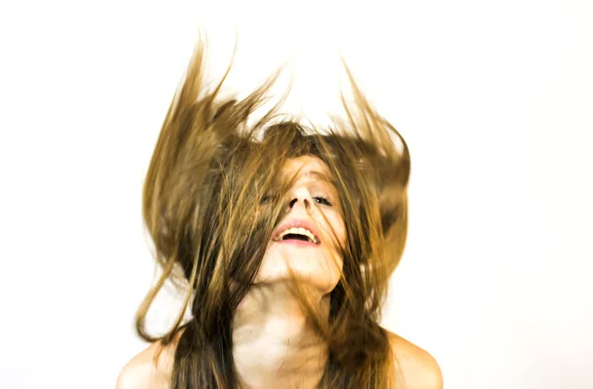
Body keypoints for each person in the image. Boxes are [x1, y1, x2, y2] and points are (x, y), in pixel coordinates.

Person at [116, 40, 443, 388]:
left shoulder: (409, 377)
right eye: (268, 196)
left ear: (349, 250)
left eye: (323, 198)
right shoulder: (150, 381)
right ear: (219, 241)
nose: (300, 200)